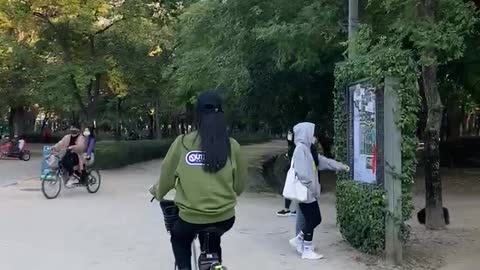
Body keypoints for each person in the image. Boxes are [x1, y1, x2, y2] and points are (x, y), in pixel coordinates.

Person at [151, 91, 247, 270]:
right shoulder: (232, 146)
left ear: (197, 115)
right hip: (225, 218)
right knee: (213, 236)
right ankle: (214, 264)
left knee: (179, 239)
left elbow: (167, 176)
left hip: (190, 218)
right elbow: (239, 185)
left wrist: (157, 192)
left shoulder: (182, 143)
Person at [286, 122, 349, 260]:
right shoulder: (301, 149)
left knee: (311, 219)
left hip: (309, 192)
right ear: (305, 133)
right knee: (315, 219)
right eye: (312, 133)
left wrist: (340, 166)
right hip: (306, 192)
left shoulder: (308, 149)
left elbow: (323, 161)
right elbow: (302, 173)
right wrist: (312, 187)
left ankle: (301, 242)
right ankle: (304, 246)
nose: (314, 137)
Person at [277, 130, 297, 217]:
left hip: (295, 167)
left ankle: (293, 209)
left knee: (294, 187)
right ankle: (288, 209)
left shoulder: (298, 145)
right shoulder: (293, 145)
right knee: (290, 187)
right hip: (292, 166)